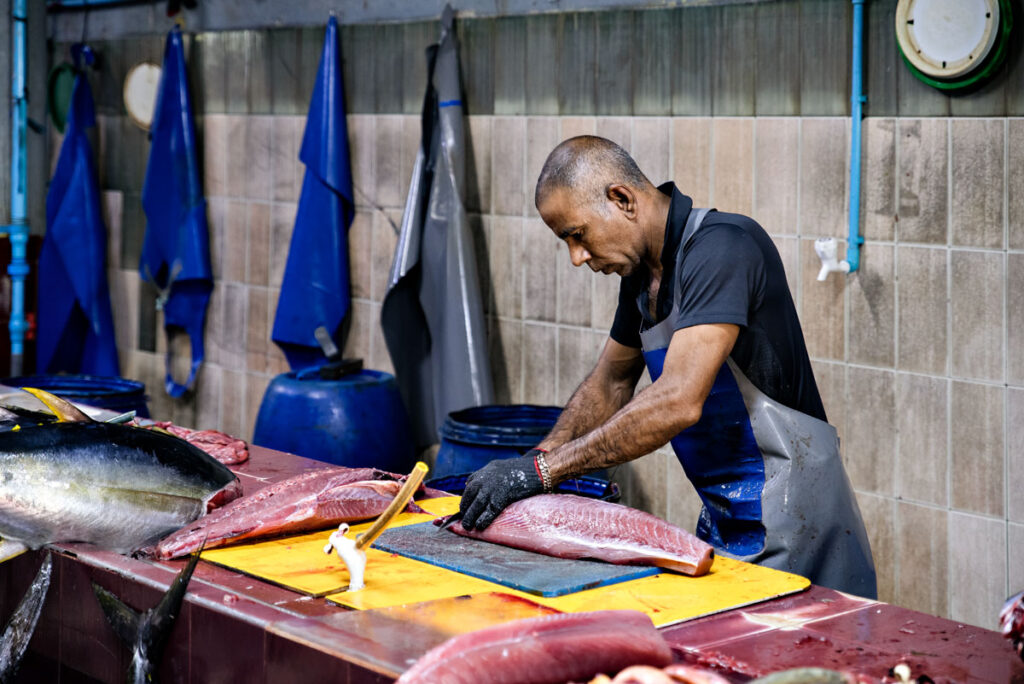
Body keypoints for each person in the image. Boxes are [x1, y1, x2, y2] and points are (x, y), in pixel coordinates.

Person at [459, 135, 877, 598]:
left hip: (794, 516)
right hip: (724, 514)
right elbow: (611, 382)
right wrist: (532, 463)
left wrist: (546, 472)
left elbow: (678, 399)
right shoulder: (642, 276)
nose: (577, 257)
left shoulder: (724, 247)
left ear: (622, 199)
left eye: (577, 235)